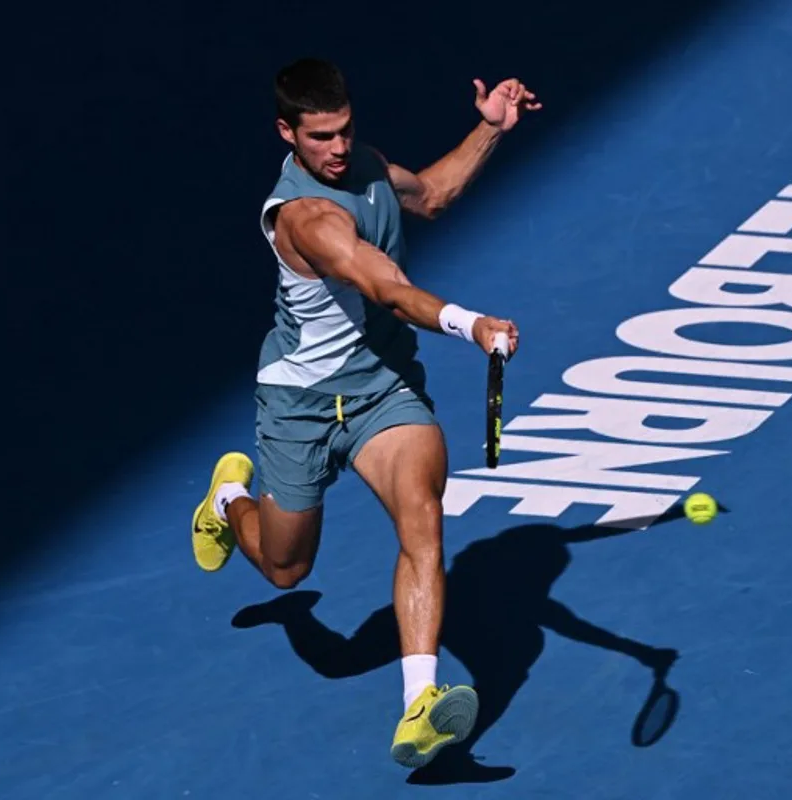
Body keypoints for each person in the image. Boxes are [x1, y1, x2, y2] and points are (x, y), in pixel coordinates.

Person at [190, 57, 540, 769]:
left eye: (344, 130)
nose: (338, 149)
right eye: (320, 137)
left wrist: (489, 128)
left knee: (422, 516)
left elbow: (434, 195)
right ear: (287, 132)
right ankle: (229, 497)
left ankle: (420, 705)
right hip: (302, 403)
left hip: (383, 387)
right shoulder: (307, 218)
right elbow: (385, 288)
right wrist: (468, 322)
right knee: (287, 571)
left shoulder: (371, 167)